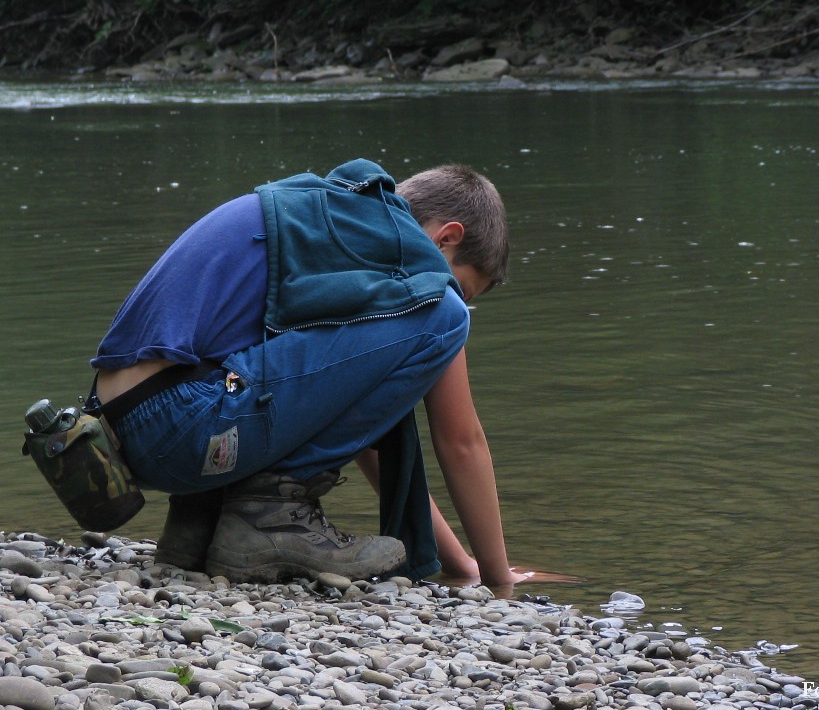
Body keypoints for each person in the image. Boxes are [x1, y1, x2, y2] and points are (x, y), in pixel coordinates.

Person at [85, 158, 529, 590]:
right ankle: (267, 520)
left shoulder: (331, 223)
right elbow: (461, 441)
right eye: (464, 285)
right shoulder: (396, 265)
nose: (455, 294)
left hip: (117, 442)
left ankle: (202, 521)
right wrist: (497, 577)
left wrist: (458, 563)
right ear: (445, 239)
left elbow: (354, 428)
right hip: (184, 429)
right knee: (444, 317)